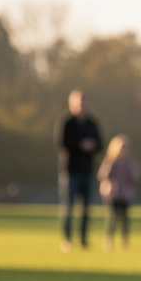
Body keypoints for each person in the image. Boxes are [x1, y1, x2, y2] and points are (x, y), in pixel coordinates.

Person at [55, 89, 102, 251]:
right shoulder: (67, 122)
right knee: (68, 207)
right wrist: (81, 145)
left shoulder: (92, 123)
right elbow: (62, 143)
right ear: (72, 103)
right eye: (79, 101)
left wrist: (92, 145)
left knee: (86, 209)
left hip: (87, 172)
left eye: (84, 101)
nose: (82, 104)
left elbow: (100, 144)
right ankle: (67, 239)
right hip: (70, 172)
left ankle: (83, 240)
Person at [97, 135, 141, 250]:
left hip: (125, 194)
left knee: (124, 219)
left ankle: (124, 240)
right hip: (112, 194)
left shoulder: (129, 163)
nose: (123, 151)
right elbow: (102, 175)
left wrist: (130, 176)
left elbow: (135, 176)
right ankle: (109, 240)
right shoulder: (110, 162)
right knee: (112, 218)